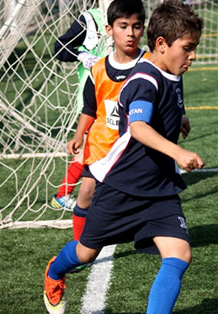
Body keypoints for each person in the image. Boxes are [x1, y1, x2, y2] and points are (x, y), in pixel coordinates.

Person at [43, 1, 204, 314]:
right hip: (122, 185)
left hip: (160, 187)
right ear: (162, 44)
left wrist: (179, 120)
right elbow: (139, 128)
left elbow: (163, 111)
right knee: (85, 253)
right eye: (187, 48)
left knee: (179, 254)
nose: (192, 56)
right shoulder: (144, 79)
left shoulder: (169, 72)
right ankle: (55, 270)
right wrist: (178, 153)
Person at [65, 1, 149, 241]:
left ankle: (149, 232)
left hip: (136, 145)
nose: (130, 33)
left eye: (136, 26)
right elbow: (90, 108)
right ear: (110, 29)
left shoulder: (150, 65)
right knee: (86, 193)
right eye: (123, 26)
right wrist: (78, 135)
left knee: (141, 197)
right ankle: (80, 245)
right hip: (102, 144)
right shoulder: (99, 68)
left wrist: (181, 114)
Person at [50, 7, 106, 211]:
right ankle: (63, 194)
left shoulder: (128, 10)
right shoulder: (90, 19)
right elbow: (60, 47)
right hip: (92, 95)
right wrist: (82, 55)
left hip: (115, 92)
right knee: (91, 145)